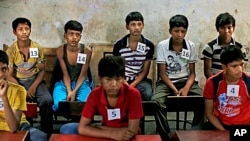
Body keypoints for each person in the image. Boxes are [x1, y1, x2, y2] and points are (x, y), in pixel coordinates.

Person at [60, 56, 144, 141]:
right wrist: (112, 134)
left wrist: (97, 128)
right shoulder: (95, 94)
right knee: (67, 128)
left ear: (123, 78)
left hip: (125, 136)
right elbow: (82, 128)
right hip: (107, 133)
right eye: (108, 79)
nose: (114, 84)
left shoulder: (133, 94)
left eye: (118, 79)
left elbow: (132, 131)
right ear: (100, 79)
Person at [151, 15, 204, 141]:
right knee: (156, 101)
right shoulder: (162, 46)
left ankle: (193, 133)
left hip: (186, 81)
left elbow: (192, 73)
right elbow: (162, 74)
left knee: (203, 100)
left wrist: (186, 88)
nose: (179, 35)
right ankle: (166, 136)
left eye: (183, 31)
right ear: (170, 31)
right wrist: (174, 90)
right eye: (176, 31)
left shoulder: (190, 46)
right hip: (166, 83)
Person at [6, 17, 53, 135]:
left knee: (47, 100)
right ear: (14, 32)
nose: (24, 32)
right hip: (17, 81)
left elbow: (42, 71)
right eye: (20, 29)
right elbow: (9, 75)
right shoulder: (11, 51)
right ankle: (23, 131)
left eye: (27, 29)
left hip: (35, 80)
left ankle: (47, 132)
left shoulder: (36, 48)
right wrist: (21, 89)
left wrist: (33, 87)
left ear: (30, 30)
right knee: (15, 101)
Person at [0, 50, 47, 141]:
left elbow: (14, 127)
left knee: (39, 136)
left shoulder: (19, 90)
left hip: (19, 126)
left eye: (4, 69)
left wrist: (4, 97)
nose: (1, 74)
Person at [201, 45, 250, 130]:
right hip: (220, 125)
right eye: (234, 66)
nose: (240, 69)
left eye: (241, 64)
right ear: (224, 67)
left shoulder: (248, 81)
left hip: (244, 126)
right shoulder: (213, 82)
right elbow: (209, 113)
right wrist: (223, 132)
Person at [113, 11, 155, 101]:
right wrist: (125, 83)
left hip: (140, 80)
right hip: (122, 79)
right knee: (115, 93)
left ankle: (140, 115)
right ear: (127, 26)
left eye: (139, 24)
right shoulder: (120, 45)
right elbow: (117, 69)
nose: (137, 28)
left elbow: (145, 71)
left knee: (147, 94)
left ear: (143, 26)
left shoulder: (148, 46)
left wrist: (132, 85)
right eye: (133, 24)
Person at [52, 20, 92, 112]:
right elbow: (65, 74)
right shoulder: (60, 50)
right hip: (64, 83)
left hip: (81, 83)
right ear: (65, 35)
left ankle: (79, 124)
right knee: (59, 105)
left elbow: (83, 75)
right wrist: (69, 91)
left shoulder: (86, 50)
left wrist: (74, 91)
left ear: (80, 37)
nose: (74, 37)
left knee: (83, 106)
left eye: (77, 35)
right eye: (71, 34)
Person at [202, 12, 247, 79]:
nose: (226, 31)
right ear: (217, 29)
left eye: (229, 27)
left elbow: (242, 70)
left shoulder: (240, 48)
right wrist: (215, 83)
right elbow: (207, 71)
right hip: (216, 82)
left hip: (234, 82)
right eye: (222, 28)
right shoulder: (210, 47)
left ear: (233, 29)